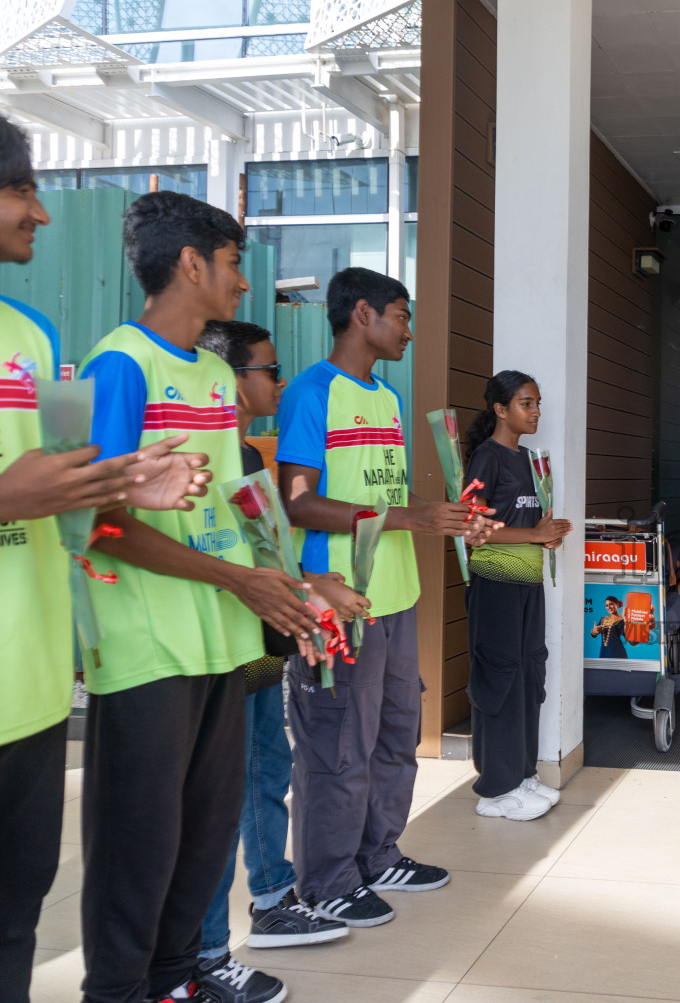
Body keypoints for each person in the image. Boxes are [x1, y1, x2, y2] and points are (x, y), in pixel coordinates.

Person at [78, 192, 327, 1003]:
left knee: (201, 839)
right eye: (233, 264)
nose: (243, 284)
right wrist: (239, 580)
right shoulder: (119, 365)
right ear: (191, 263)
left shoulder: (217, 376)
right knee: (138, 850)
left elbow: (236, 507)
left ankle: (177, 982)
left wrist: (295, 584)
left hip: (224, 645)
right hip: (147, 652)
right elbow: (99, 525)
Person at [0, 121, 212, 1003]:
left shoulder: (40, 338)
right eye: (21, 191)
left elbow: (70, 477)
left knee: (14, 920)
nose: (41, 213)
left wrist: (128, 483)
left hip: (37, 688)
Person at [278, 268, 497, 928]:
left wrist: (443, 515)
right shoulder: (313, 392)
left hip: (397, 596)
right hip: (340, 600)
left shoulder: (390, 400)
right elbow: (300, 503)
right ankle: (327, 881)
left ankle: (378, 855)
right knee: (339, 745)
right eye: (401, 315)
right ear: (362, 314)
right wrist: (410, 519)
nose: (408, 328)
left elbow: (385, 499)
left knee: (397, 735)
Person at [192, 321, 359, 996]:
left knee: (264, 775)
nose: (279, 383)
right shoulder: (192, 457)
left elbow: (270, 555)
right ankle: (200, 955)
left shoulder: (252, 461)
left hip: (259, 644)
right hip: (209, 655)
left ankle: (271, 900)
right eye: (268, 370)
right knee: (212, 802)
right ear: (230, 379)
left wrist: (313, 597)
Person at [462, 370, 573, 821]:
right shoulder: (486, 458)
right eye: (526, 404)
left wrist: (545, 538)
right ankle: (495, 788)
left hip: (528, 585)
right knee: (500, 680)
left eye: (538, 403)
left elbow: (525, 527)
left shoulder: (530, 459)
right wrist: (533, 533)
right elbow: (472, 531)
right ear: (500, 409)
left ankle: (522, 773)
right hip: (495, 586)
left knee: (529, 675)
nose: (536, 412)